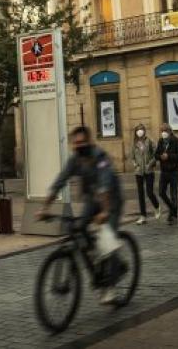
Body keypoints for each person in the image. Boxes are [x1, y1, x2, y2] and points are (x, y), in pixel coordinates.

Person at [37, 125, 126, 305]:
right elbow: (59, 182)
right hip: (92, 201)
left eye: (82, 142)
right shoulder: (75, 160)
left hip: (111, 201)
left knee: (107, 238)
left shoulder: (100, 157)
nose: (78, 146)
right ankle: (95, 257)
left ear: (89, 142)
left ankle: (111, 286)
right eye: (75, 143)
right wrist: (45, 208)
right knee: (78, 227)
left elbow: (105, 185)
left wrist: (106, 212)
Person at [154, 125, 178, 225]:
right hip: (164, 171)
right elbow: (156, 154)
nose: (163, 132)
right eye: (161, 130)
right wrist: (160, 157)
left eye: (165, 130)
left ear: (170, 131)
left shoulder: (177, 141)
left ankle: (173, 216)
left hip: (174, 171)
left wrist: (169, 156)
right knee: (161, 192)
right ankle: (172, 209)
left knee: (173, 194)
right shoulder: (161, 141)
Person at [129, 124, 159, 225]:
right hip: (139, 172)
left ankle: (157, 206)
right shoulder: (134, 143)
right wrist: (135, 165)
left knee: (149, 192)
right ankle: (143, 216)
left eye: (141, 130)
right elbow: (132, 157)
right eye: (138, 130)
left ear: (144, 131)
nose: (139, 131)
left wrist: (149, 164)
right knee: (140, 194)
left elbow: (156, 154)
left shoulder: (149, 141)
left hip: (149, 171)